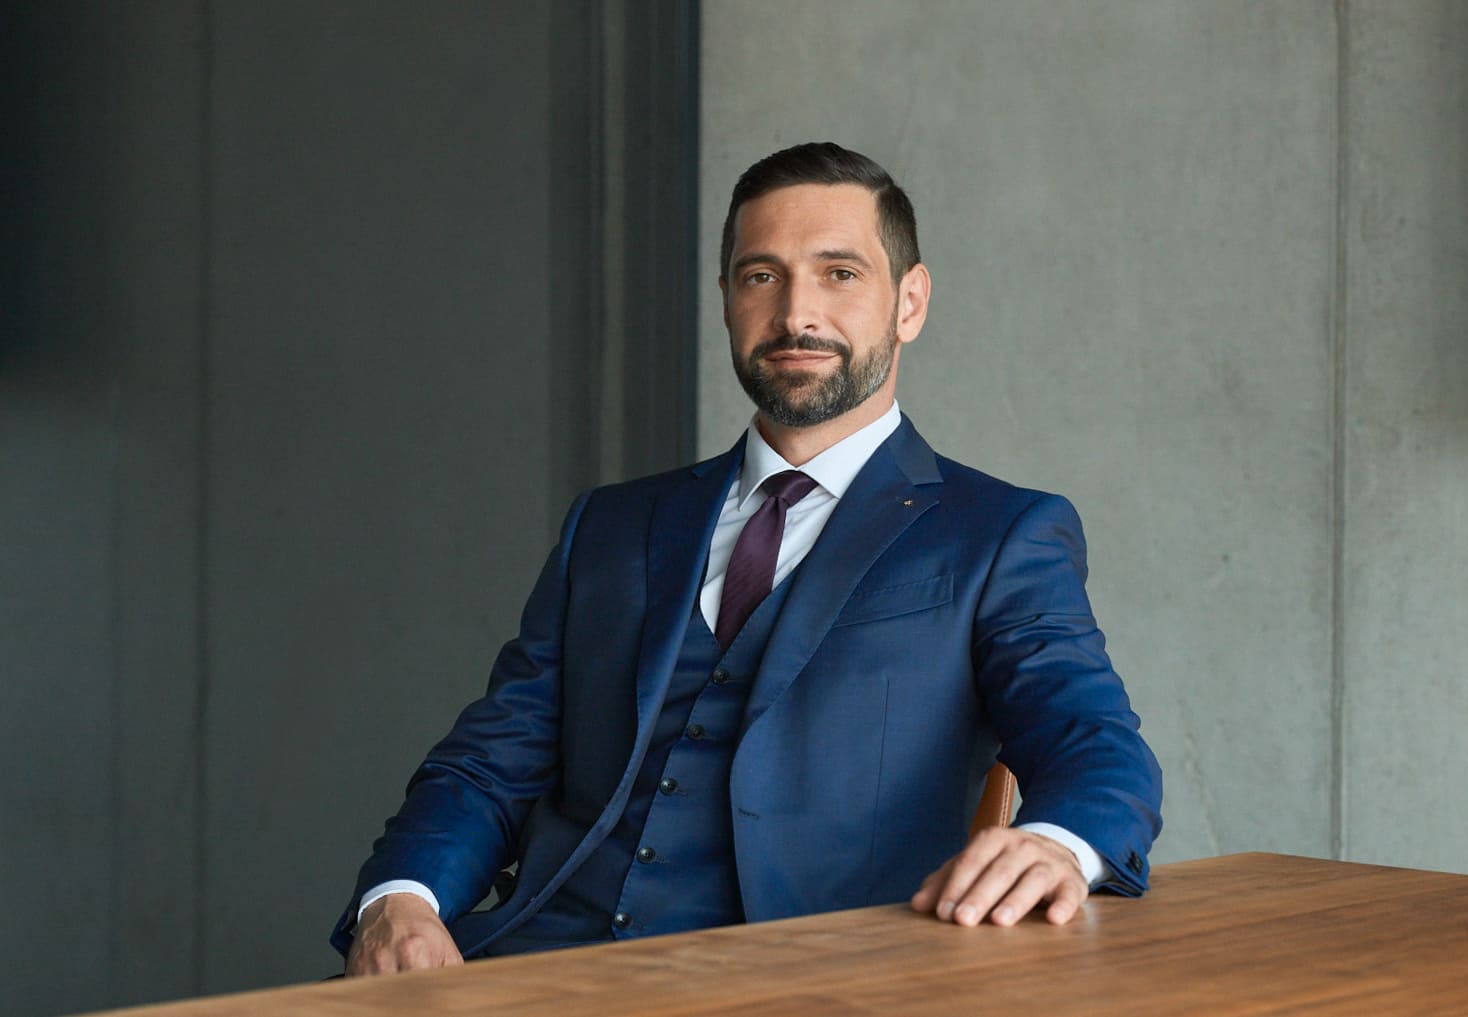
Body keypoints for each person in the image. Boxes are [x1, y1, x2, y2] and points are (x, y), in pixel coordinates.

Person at [335, 142, 1163, 974]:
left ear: (909, 303)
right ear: (727, 299)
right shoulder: (612, 525)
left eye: (839, 273)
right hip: (540, 965)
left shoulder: (997, 532)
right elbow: (490, 760)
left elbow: (1093, 742)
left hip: (811, 977)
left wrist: (1057, 845)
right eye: (760, 275)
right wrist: (399, 896)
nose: (796, 312)